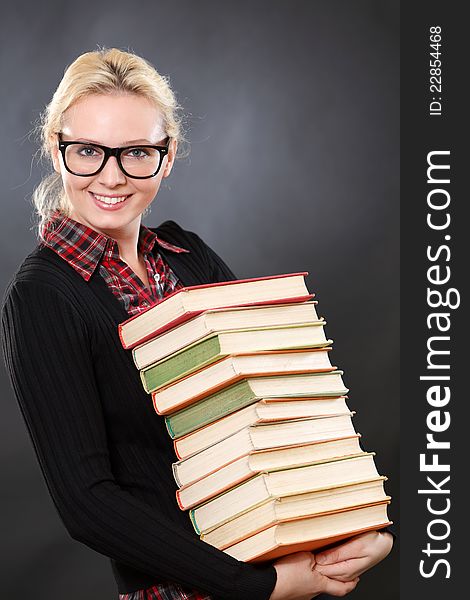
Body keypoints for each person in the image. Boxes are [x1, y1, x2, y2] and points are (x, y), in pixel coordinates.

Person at [0, 47, 393, 600]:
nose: (111, 177)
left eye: (137, 152)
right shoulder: (42, 296)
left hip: (286, 554)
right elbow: (87, 503)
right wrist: (260, 587)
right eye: (87, 150)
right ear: (56, 149)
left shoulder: (190, 256)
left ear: (168, 153)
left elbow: (277, 406)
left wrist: (359, 526)